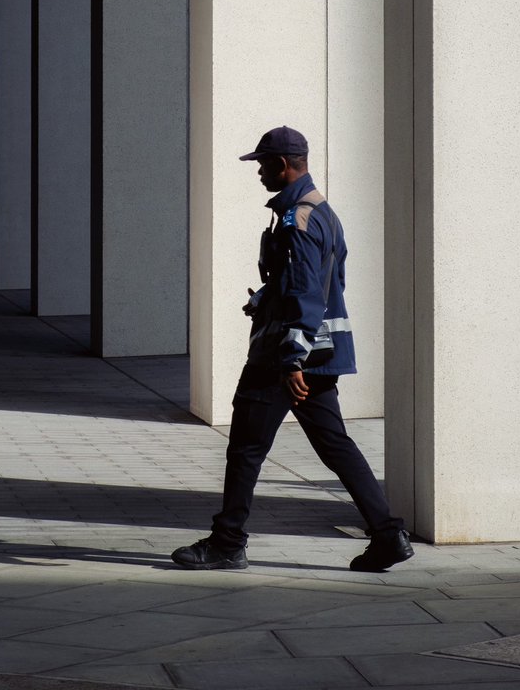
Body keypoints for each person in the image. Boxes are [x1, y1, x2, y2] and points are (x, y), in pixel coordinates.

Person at [172, 125, 413, 573]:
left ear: (284, 166)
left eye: (263, 164)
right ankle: (388, 535)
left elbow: (306, 292)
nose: (259, 172)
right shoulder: (321, 212)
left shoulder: (297, 219)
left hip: (286, 359)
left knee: (245, 447)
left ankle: (227, 542)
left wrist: (291, 359)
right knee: (336, 445)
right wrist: (266, 301)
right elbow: (314, 284)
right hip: (318, 354)